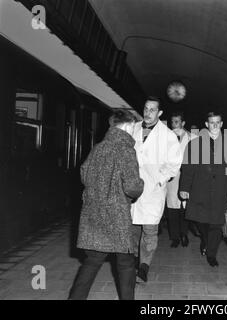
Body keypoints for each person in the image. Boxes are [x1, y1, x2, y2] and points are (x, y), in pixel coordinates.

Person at [69, 109, 144, 300]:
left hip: (94, 214)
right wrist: (141, 185)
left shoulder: (98, 148)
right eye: (135, 127)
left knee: (92, 262)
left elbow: (84, 175)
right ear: (128, 126)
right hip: (117, 217)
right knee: (126, 263)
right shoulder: (126, 150)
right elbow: (133, 187)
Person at [131, 96, 182, 282]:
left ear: (159, 113)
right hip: (132, 188)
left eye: (152, 110)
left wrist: (159, 180)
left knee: (150, 229)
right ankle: (135, 260)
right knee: (133, 228)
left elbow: (174, 164)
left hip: (153, 190)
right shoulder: (133, 129)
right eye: (146, 108)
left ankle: (144, 267)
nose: (147, 112)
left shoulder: (168, 136)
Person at [179, 111, 227, 267]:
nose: (215, 125)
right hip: (200, 188)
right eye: (212, 122)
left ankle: (212, 254)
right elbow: (188, 168)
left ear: (222, 124)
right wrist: (184, 187)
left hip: (220, 189)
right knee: (201, 221)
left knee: (216, 224)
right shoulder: (195, 144)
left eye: (218, 122)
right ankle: (205, 240)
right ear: (206, 125)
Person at [166, 111, 197, 248]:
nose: (174, 125)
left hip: (187, 177)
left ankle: (184, 234)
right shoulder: (166, 138)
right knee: (172, 209)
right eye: (172, 122)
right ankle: (175, 237)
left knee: (185, 208)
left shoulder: (193, 138)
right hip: (172, 179)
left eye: (177, 122)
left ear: (183, 123)